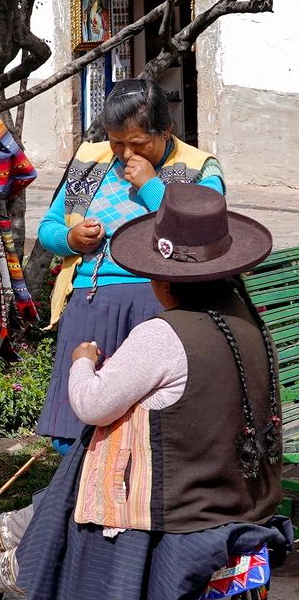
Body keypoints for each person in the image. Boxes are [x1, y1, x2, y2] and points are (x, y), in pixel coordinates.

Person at [0, 184, 290, 600]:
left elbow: (90, 404)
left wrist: (82, 359)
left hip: (180, 506)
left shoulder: (164, 335)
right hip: (241, 495)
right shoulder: (254, 329)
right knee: (98, 455)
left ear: (163, 281)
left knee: (93, 452)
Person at [36, 78, 226, 453]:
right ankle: (74, 496)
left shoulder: (198, 168)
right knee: (79, 413)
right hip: (91, 301)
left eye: (137, 143)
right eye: (116, 141)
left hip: (158, 304)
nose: (124, 153)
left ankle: (131, 496)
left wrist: (152, 185)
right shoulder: (91, 161)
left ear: (166, 130)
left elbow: (197, 233)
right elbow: (49, 228)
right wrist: (71, 240)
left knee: (139, 421)